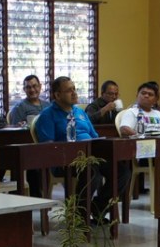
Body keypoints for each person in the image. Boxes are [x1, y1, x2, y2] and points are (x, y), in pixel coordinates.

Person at [35, 76, 125, 219]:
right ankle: (80, 216)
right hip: (65, 160)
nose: (74, 93)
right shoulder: (47, 115)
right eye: (69, 90)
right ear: (57, 95)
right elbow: (48, 147)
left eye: (74, 89)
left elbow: (94, 136)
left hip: (91, 155)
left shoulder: (80, 112)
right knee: (92, 171)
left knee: (122, 171)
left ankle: (98, 207)